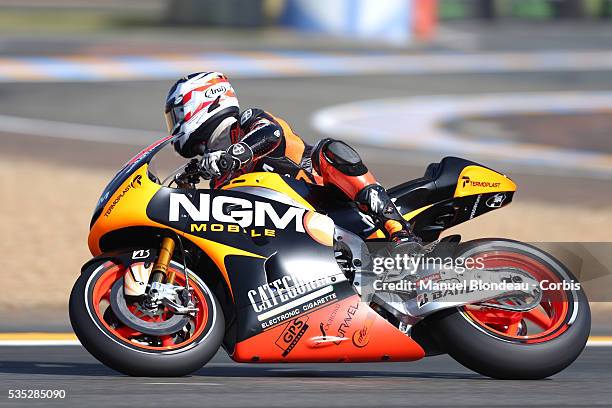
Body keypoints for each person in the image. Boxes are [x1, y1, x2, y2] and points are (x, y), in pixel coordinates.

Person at [164, 71, 422, 246]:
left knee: (329, 150)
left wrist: (234, 154)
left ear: (201, 102)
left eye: (177, 116)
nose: (174, 126)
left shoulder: (249, 122)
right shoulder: (219, 178)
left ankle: (397, 229)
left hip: (325, 199)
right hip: (295, 238)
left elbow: (271, 134)